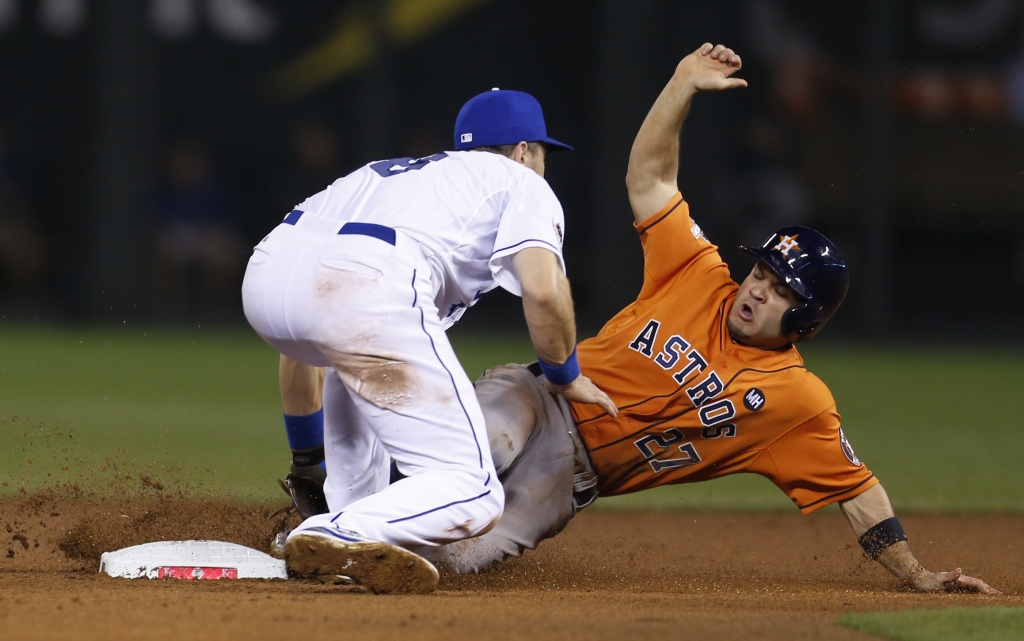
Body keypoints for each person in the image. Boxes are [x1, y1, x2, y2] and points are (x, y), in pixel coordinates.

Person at [419, 43, 997, 594]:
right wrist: (682, 85)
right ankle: (338, 492)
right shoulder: (696, 270)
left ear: (807, 322)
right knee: (486, 442)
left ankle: (352, 558)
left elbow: (858, 489)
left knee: (460, 558)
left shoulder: (797, 402)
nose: (756, 292)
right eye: (761, 275)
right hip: (539, 395)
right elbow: (649, 178)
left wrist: (917, 574)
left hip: (567, 481)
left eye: (779, 291)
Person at [242, 88, 616, 594]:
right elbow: (545, 293)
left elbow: (309, 336)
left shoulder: (388, 174)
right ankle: (329, 533)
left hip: (266, 281)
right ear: (524, 150)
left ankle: (344, 523)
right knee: (475, 492)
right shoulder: (520, 182)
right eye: (544, 153)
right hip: (363, 288)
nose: (543, 164)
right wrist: (564, 374)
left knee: (365, 477)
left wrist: (309, 458)